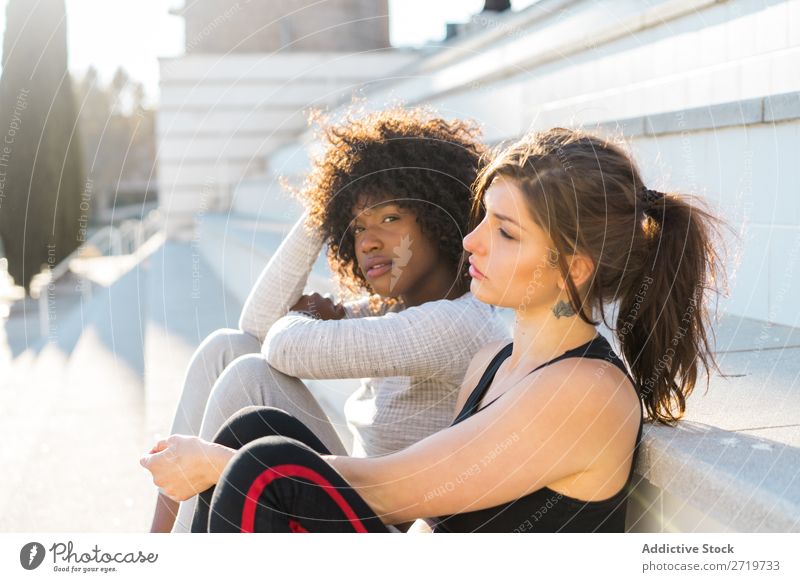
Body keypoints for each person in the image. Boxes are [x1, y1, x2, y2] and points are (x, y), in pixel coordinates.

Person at [142, 126, 726, 533]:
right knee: (256, 427)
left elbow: (397, 489)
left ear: (571, 268)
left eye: (506, 232)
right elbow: (426, 523)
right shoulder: (492, 363)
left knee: (258, 466)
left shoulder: (587, 393)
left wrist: (220, 466)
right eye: (482, 221)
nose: (472, 240)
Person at [145, 107, 511, 532]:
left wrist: (302, 318)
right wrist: (326, 203)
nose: (369, 242)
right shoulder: (390, 309)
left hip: (395, 531)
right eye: (354, 228)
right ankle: (159, 550)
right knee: (227, 348)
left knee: (247, 372)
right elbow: (257, 326)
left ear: (439, 217)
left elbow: (282, 345)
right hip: (358, 502)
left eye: (390, 218)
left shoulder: (457, 324)